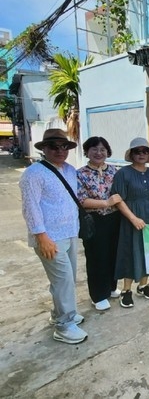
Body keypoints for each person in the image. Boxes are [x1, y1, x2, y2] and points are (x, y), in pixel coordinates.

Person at [19, 129, 87, 344]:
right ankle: (64, 325)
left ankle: (61, 313)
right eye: (53, 147)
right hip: (50, 237)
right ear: (44, 149)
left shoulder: (69, 170)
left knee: (68, 278)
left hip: (69, 232)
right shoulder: (33, 173)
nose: (60, 150)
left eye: (63, 146)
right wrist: (41, 236)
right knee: (62, 280)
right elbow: (30, 208)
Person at [112, 137, 149, 309]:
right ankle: (126, 290)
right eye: (137, 151)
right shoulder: (123, 173)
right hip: (131, 216)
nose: (141, 154)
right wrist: (133, 218)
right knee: (130, 251)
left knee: (148, 250)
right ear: (131, 154)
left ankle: (144, 285)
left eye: (145, 151)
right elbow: (118, 199)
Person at [77, 136, 123, 312]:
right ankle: (98, 295)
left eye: (102, 149)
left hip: (114, 218)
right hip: (94, 220)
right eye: (94, 149)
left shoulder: (115, 171)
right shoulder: (80, 173)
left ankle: (111, 287)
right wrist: (106, 203)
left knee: (113, 254)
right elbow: (81, 199)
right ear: (87, 151)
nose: (99, 153)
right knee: (97, 258)